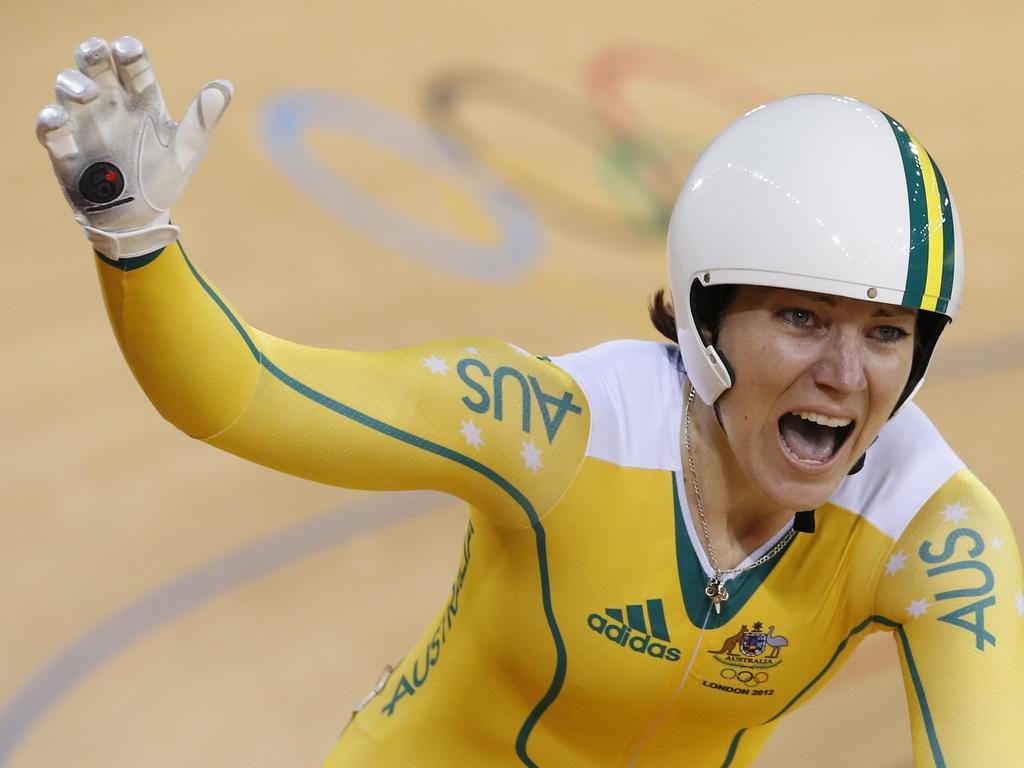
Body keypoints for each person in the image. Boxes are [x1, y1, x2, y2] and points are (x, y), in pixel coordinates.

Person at [37, 36, 1023, 767]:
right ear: (706, 313)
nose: (846, 376)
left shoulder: (927, 530)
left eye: (887, 333)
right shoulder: (560, 428)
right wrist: (134, 236)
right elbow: (242, 394)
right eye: (802, 320)